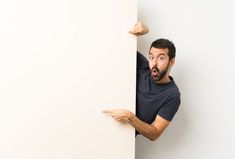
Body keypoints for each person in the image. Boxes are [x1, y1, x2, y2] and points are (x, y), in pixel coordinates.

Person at [103, 22, 181, 141]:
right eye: (151, 57)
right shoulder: (143, 66)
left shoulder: (172, 95)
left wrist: (130, 117)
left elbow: (155, 133)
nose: (154, 63)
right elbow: (117, 40)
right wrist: (144, 31)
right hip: (102, 120)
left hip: (122, 142)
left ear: (172, 62)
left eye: (161, 58)